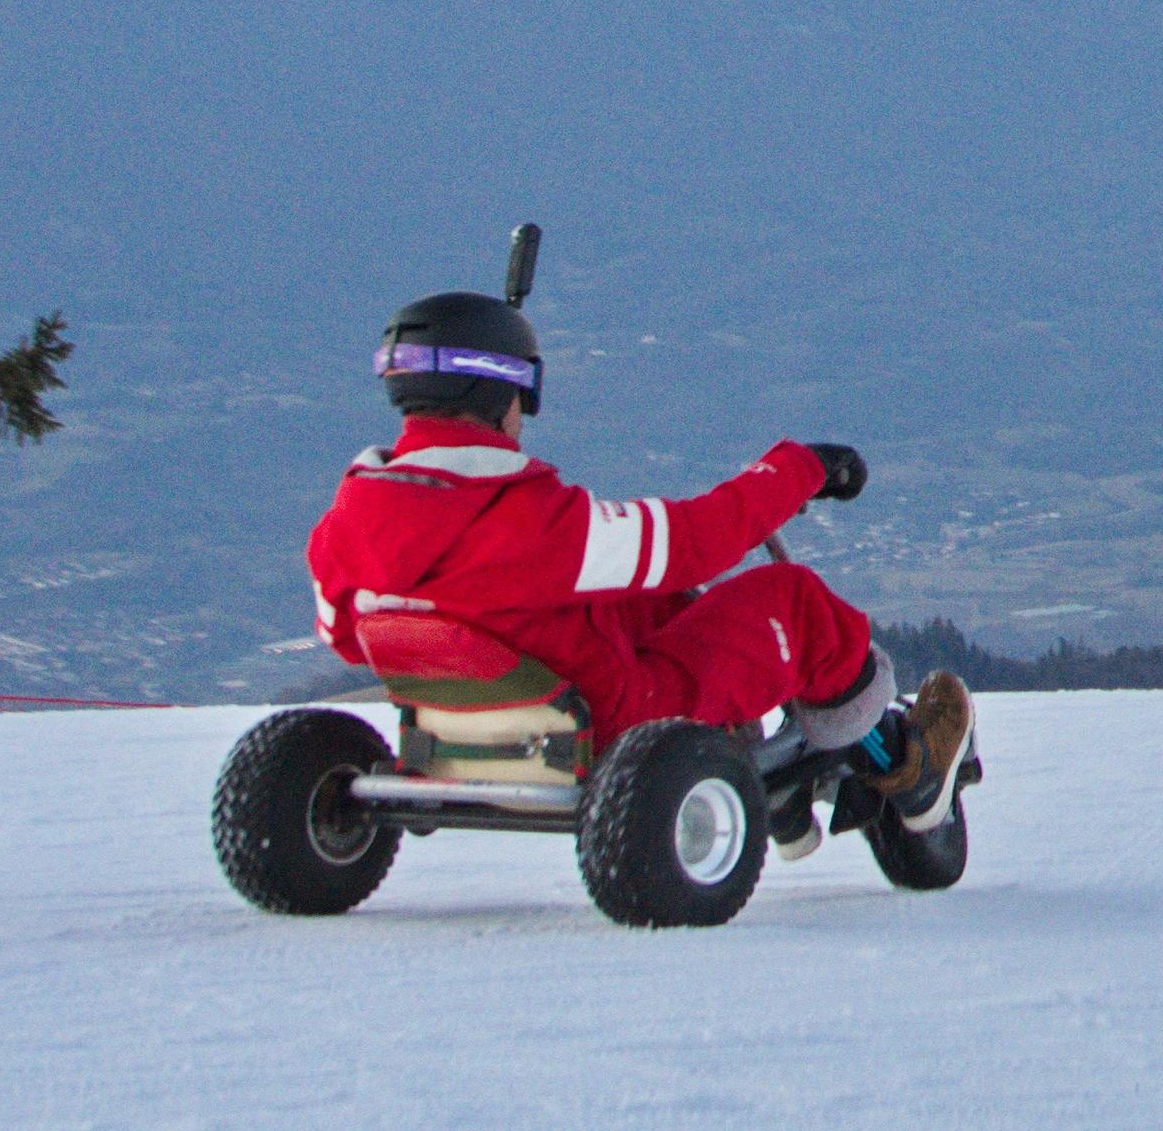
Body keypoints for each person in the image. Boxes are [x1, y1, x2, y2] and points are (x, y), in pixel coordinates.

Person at [307, 280, 970, 837]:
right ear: (500, 390)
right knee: (793, 601)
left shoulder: (348, 523)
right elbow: (692, 542)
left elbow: (346, 636)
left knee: (637, 600)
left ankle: (779, 779)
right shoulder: (530, 519)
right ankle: (909, 771)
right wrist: (796, 469)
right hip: (610, 727)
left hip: (459, 725)